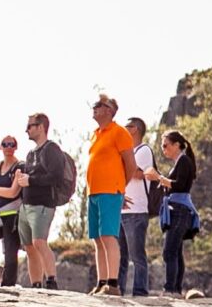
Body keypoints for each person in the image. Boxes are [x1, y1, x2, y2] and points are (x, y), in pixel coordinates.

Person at [81, 94, 134, 296]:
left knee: (109, 236)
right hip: (93, 191)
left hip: (110, 191)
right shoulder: (96, 134)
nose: (94, 108)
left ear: (109, 110)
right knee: (97, 237)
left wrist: (120, 187)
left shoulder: (119, 132)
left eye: (98, 105)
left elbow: (131, 164)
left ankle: (112, 284)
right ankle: (101, 281)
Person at [19, 113, 71, 288]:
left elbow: (55, 176)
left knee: (39, 242)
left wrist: (31, 180)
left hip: (43, 204)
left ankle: (51, 280)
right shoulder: (30, 154)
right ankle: (36, 284)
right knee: (29, 247)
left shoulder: (51, 149)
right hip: (26, 205)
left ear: (41, 127)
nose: (26, 130)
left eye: (30, 126)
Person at [159, 129, 200, 296]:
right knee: (176, 251)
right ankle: (175, 288)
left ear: (177, 145)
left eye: (166, 145)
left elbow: (180, 185)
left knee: (169, 250)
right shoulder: (180, 162)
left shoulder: (184, 161)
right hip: (176, 208)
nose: (164, 149)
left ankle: (171, 289)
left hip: (180, 209)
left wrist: (162, 180)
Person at [121, 117, 157, 296]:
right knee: (120, 255)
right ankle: (117, 289)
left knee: (137, 255)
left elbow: (138, 174)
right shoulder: (127, 152)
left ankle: (140, 291)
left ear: (134, 129)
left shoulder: (143, 151)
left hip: (136, 210)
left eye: (126, 126)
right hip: (121, 209)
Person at [0, 135, 27, 287]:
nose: (9, 147)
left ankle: (8, 285)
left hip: (12, 215)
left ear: (16, 147)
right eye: (5, 144)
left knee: (10, 254)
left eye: (12, 144)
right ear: (0, 147)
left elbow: (13, 192)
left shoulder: (20, 166)